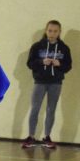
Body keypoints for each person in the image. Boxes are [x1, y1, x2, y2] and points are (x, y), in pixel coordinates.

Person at [23, 20, 72, 149]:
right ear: (46, 31)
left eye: (55, 31)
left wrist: (59, 64)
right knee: (35, 109)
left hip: (56, 83)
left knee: (51, 110)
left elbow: (68, 66)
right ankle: (31, 136)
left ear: (59, 32)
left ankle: (47, 137)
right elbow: (30, 63)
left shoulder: (64, 48)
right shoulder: (37, 46)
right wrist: (41, 62)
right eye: (50, 30)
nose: (52, 33)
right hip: (40, 82)